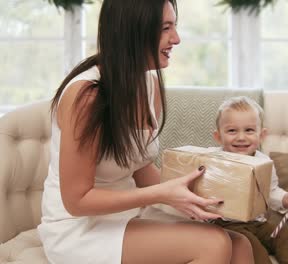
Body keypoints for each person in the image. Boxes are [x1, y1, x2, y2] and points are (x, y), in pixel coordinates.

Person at [37, 1, 255, 263]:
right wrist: (164, 195)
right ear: (133, 30)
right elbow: (77, 201)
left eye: (174, 26)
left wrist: (196, 197)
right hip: (80, 228)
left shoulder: (148, 85)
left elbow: (139, 167)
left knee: (241, 244)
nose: (176, 39)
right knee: (213, 244)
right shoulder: (87, 96)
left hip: (129, 215)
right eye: (166, 28)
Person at [210, 96, 288, 264]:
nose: (241, 137)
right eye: (232, 131)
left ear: (261, 135)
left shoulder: (264, 163)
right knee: (250, 245)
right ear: (218, 136)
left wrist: (285, 198)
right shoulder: (214, 161)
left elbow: (270, 191)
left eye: (249, 130)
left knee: (284, 237)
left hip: (258, 223)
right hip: (227, 225)